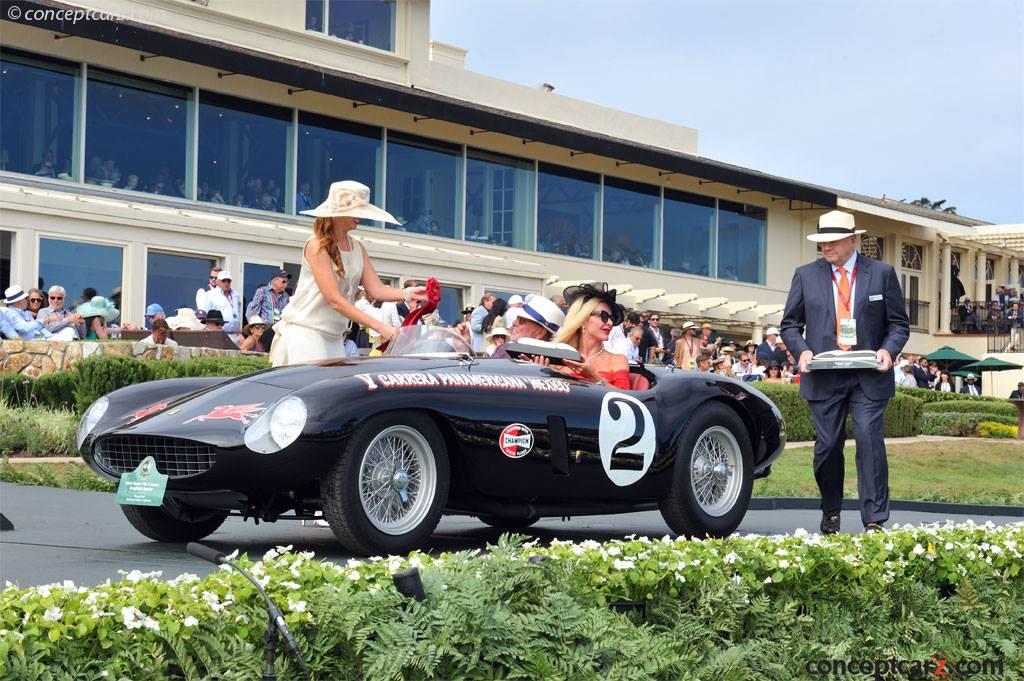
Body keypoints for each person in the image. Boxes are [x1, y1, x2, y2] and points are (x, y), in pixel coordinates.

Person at [781, 210, 909, 535]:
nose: (826, 247)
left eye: (833, 241)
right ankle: (831, 510)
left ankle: (874, 519)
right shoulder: (805, 275)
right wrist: (802, 351)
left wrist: (888, 350)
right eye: (822, 241)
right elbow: (790, 325)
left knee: (868, 440)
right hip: (824, 375)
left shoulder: (881, 274)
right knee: (826, 447)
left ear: (854, 240)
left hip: (869, 374)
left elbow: (898, 324)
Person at [270, 180, 426, 366]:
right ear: (337, 214)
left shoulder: (358, 247)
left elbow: (376, 290)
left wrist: (409, 293)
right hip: (306, 333)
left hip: (335, 337)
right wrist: (380, 327)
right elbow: (335, 300)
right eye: (356, 210)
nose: (361, 216)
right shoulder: (317, 245)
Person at [538, 283, 630, 389]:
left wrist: (594, 377)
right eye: (603, 316)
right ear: (583, 320)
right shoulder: (558, 357)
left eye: (611, 318)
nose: (609, 322)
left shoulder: (617, 360)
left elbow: (626, 399)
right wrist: (540, 372)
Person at [490, 295, 565, 359]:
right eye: (517, 318)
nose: (514, 323)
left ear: (540, 333)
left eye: (522, 320)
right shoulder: (505, 350)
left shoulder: (506, 352)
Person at [246, 269, 291, 349]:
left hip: (278, 330)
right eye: (283, 282)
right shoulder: (262, 291)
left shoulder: (286, 296)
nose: (286, 284)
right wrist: (256, 330)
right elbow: (253, 312)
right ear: (275, 280)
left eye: (287, 282)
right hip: (264, 330)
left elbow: (287, 314)